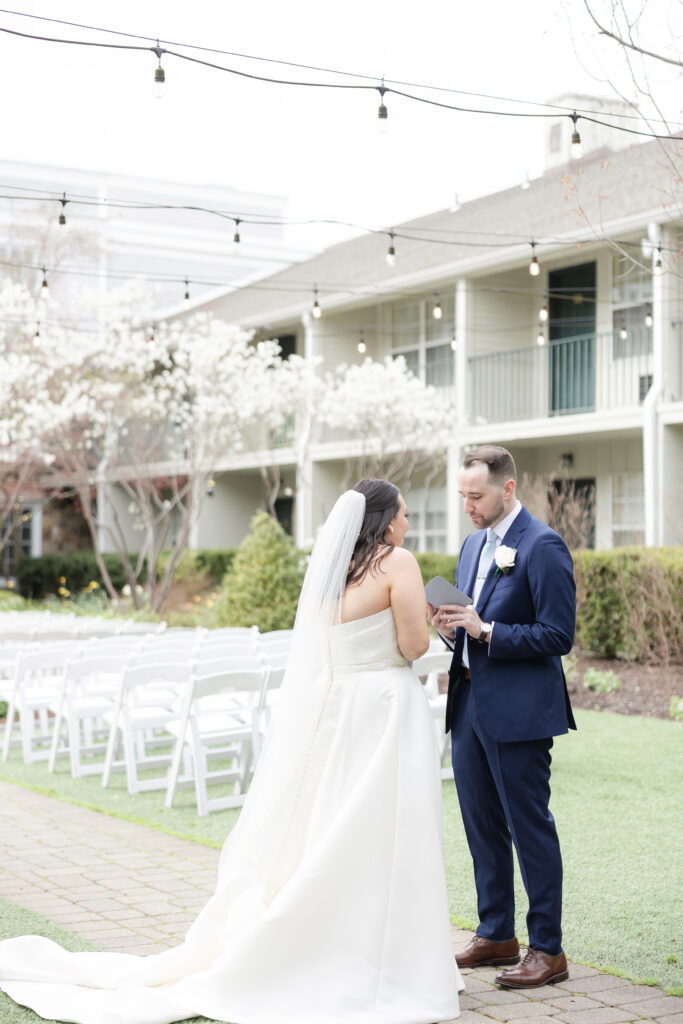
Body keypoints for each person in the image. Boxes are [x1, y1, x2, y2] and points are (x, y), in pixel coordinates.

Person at [0, 479, 463, 1024]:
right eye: (404, 515)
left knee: (324, 828)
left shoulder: (334, 570)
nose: (407, 524)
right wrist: (436, 623)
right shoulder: (399, 562)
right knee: (386, 831)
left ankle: (329, 942)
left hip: (334, 709)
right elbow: (410, 647)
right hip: (384, 709)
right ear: (386, 521)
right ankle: (388, 959)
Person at [428, 445, 576, 990]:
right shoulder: (471, 545)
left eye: (476, 495)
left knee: (529, 828)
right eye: (462, 495)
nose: (467, 504)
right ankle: (496, 933)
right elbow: (471, 622)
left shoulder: (543, 545)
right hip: (468, 703)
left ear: (507, 489)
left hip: (519, 712)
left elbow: (559, 635)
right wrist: (452, 625)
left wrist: (487, 631)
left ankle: (548, 950)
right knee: (480, 825)